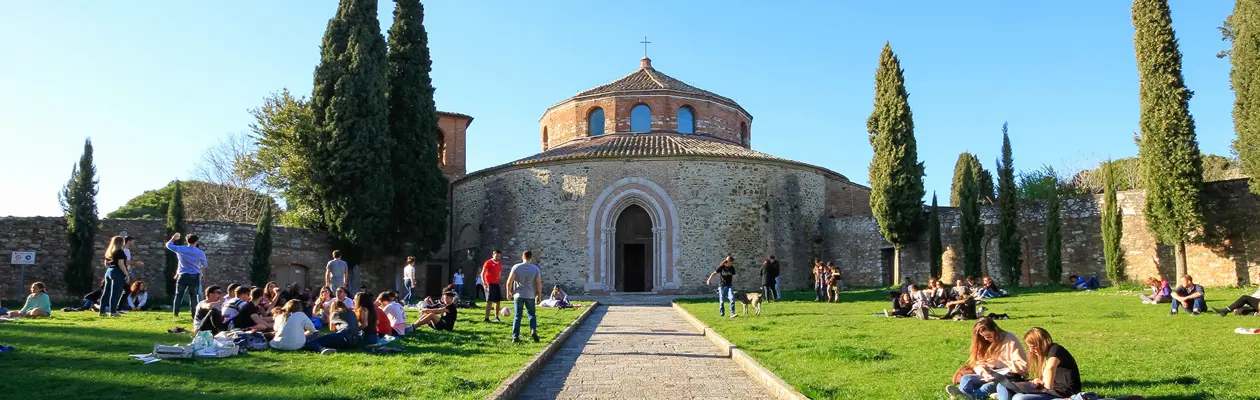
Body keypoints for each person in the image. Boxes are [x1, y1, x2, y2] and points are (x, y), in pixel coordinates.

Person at [946, 317, 1029, 400]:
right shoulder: (982, 342)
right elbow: (977, 363)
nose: (986, 339)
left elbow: (1023, 365)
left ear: (995, 331)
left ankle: (966, 397)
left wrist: (998, 363)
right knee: (967, 378)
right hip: (990, 375)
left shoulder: (1010, 339)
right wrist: (984, 373)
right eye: (982, 336)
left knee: (988, 386)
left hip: (1008, 378)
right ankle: (962, 394)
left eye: (988, 336)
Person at [996, 327, 1082, 400]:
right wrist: (1039, 382)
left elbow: (1050, 368)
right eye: (1029, 347)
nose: (1031, 351)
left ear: (1042, 343)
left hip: (1062, 393)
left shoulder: (1056, 349)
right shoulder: (1044, 355)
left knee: (1019, 398)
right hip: (1048, 390)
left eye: (1033, 347)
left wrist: (1045, 389)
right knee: (1002, 386)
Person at [270, 299, 336, 355]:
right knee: (315, 334)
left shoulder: (279, 316)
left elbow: (276, 330)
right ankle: (321, 348)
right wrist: (304, 334)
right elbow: (312, 329)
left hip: (277, 345)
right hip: (295, 345)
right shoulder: (301, 315)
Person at [166, 232, 208, 318]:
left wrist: (173, 238)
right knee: (193, 296)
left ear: (187, 241)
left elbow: (168, 245)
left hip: (183, 274)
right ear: (197, 241)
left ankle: (176, 313)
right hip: (195, 275)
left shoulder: (181, 249)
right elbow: (205, 265)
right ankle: (193, 314)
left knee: (178, 295)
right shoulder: (200, 252)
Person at [505, 250, 543, 343]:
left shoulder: (516, 267)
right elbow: (538, 284)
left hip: (518, 295)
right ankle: (533, 329)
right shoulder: (535, 269)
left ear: (523, 256)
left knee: (518, 316)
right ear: (531, 258)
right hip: (530, 295)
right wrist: (539, 296)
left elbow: (509, 281)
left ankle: (515, 337)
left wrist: (508, 292)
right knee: (532, 315)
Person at [100, 236, 129, 317]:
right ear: (122, 242)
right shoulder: (120, 252)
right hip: (117, 272)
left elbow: (106, 263)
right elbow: (121, 264)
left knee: (106, 292)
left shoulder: (110, 251)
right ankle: (113, 312)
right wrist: (127, 274)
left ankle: (102, 312)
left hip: (109, 271)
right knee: (115, 293)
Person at [482, 250, 505, 323]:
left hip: (496, 284)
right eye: (496, 255)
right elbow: (483, 273)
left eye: (499, 256)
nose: (498, 257)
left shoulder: (500, 264)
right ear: (493, 255)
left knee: (497, 301)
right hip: (489, 284)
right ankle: (486, 319)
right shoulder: (488, 262)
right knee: (489, 301)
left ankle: (497, 317)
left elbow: (499, 274)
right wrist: (484, 284)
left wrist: (500, 281)